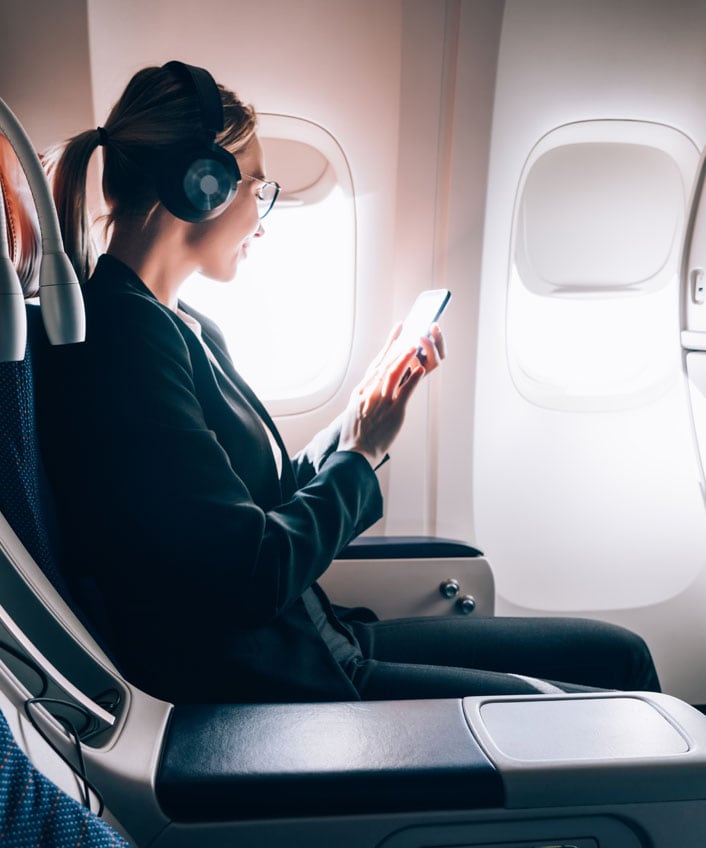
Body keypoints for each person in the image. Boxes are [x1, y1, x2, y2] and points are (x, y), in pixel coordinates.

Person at [35, 61, 660, 704]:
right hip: (279, 682)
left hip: (319, 643)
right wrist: (361, 455)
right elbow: (250, 575)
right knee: (603, 697)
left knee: (616, 657)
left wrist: (364, 413)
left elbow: (268, 498)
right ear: (204, 184)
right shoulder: (124, 343)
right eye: (259, 187)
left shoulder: (178, 323)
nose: (263, 215)